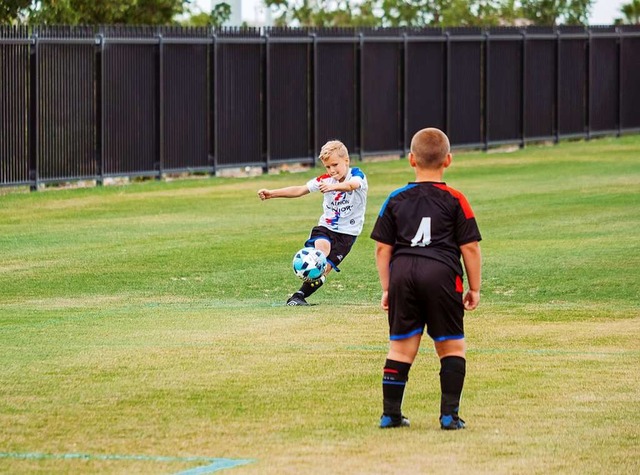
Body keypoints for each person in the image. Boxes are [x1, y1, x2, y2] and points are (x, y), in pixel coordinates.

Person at [370, 127, 482, 430]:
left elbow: (382, 248)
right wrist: (474, 288)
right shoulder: (456, 199)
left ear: (411, 160)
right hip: (442, 274)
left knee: (400, 348)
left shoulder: (395, 198)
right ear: (448, 160)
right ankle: (449, 416)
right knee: (451, 347)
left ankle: (390, 414)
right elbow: (469, 247)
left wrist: (387, 287)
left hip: (403, 274)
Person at [258, 140, 368, 306]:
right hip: (326, 227)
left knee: (325, 269)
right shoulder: (325, 179)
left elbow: (352, 185)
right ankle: (306, 274)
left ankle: (299, 295)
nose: (331, 171)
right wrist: (272, 193)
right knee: (321, 254)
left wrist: (333, 188)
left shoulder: (357, 175)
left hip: (348, 233)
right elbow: (300, 189)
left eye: (335, 165)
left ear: (346, 161)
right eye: (327, 167)